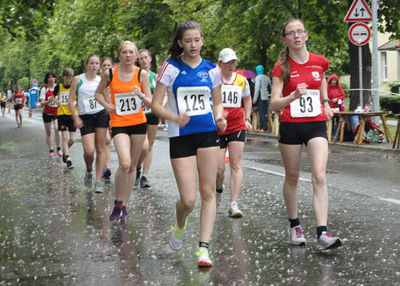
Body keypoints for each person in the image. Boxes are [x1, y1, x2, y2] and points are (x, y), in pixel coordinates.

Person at [151, 20, 227, 268]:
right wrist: (174, 117)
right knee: (188, 200)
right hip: (180, 136)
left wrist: (219, 116)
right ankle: (179, 225)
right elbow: (155, 104)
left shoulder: (212, 70)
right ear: (179, 42)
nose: (193, 45)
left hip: (207, 133)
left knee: (208, 192)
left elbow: (217, 102)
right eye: (188, 40)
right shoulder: (170, 68)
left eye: (197, 40)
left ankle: (203, 248)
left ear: (202, 40)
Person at [270, 19, 342, 250]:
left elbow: (320, 82)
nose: (297, 36)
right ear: (285, 40)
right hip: (291, 125)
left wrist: (326, 102)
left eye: (300, 32)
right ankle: (294, 226)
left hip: (316, 124)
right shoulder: (281, 67)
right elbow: (273, 104)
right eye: (291, 33)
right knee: (292, 177)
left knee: (319, 175)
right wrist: (292, 97)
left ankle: (323, 232)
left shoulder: (320, 62)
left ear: (306, 35)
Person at [94, 41, 152, 220]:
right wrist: (106, 105)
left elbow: (150, 101)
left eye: (131, 52)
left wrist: (140, 95)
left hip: (138, 122)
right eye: (124, 52)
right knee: (125, 163)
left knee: (133, 165)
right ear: (119, 56)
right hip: (119, 122)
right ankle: (117, 202)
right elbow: (98, 93)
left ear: (136, 56)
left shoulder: (141, 74)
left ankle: (124, 206)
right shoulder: (110, 73)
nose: (128, 55)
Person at [215, 48, 252, 218]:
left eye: (233, 62)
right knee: (219, 168)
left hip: (237, 125)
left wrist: (247, 118)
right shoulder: (214, 79)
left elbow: (247, 99)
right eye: (228, 62)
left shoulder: (242, 80)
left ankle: (234, 203)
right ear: (220, 64)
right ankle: (218, 185)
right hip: (217, 127)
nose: (231, 65)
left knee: (236, 164)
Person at [69, 55, 108, 193]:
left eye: (97, 63)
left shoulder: (102, 79)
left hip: (101, 114)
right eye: (91, 63)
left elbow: (107, 97)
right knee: (89, 151)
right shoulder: (78, 79)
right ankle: (89, 170)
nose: (94, 66)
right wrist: (76, 117)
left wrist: (111, 114)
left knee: (101, 148)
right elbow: (70, 100)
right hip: (85, 117)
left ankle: (98, 181)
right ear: (86, 64)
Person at [135, 49, 159, 189]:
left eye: (146, 58)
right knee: (143, 146)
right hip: (139, 113)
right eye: (141, 58)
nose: (144, 60)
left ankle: (144, 175)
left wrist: (161, 105)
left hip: (152, 113)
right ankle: (137, 166)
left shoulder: (155, 77)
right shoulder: (135, 76)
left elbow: (161, 94)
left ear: (150, 59)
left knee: (149, 145)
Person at [54, 68, 76, 169]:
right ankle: (67, 158)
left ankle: (65, 150)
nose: (69, 80)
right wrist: (56, 101)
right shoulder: (59, 86)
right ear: (63, 77)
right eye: (67, 78)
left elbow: (78, 97)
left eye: (71, 78)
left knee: (72, 139)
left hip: (72, 114)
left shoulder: (74, 86)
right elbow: (52, 97)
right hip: (62, 114)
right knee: (64, 136)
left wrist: (74, 103)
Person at [40, 73, 62, 157]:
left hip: (57, 112)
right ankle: (51, 150)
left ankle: (59, 148)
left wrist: (57, 101)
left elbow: (61, 100)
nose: (51, 79)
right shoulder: (44, 89)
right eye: (49, 77)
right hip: (47, 113)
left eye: (53, 77)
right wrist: (49, 101)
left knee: (57, 129)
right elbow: (42, 103)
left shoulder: (58, 87)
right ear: (47, 79)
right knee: (48, 132)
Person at [100, 57, 113, 183]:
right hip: (100, 114)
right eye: (104, 65)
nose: (107, 68)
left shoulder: (115, 79)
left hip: (114, 113)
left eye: (109, 65)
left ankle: (106, 166)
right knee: (106, 140)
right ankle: (106, 167)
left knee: (108, 142)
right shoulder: (99, 81)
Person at [253, 65, 271, 133]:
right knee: (264, 112)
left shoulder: (257, 78)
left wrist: (254, 99)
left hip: (260, 97)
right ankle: (261, 127)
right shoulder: (267, 78)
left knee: (261, 113)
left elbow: (257, 89)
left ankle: (264, 127)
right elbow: (270, 88)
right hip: (266, 97)